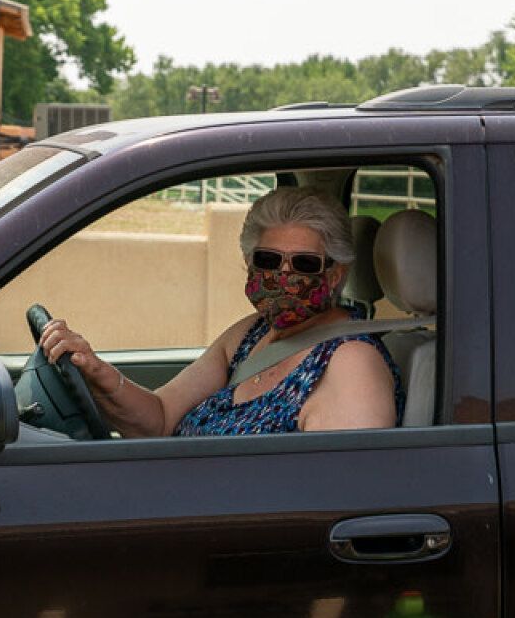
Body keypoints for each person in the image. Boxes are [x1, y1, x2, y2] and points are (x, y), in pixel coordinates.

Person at [39, 186, 405, 437]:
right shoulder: (252, 334)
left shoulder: (352, 363)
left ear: (336, 273)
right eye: (268, 260)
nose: (284, 275)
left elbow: (338, 498)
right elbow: (161, 418)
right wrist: (96, 370)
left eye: (305, 264)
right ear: (249, 262)